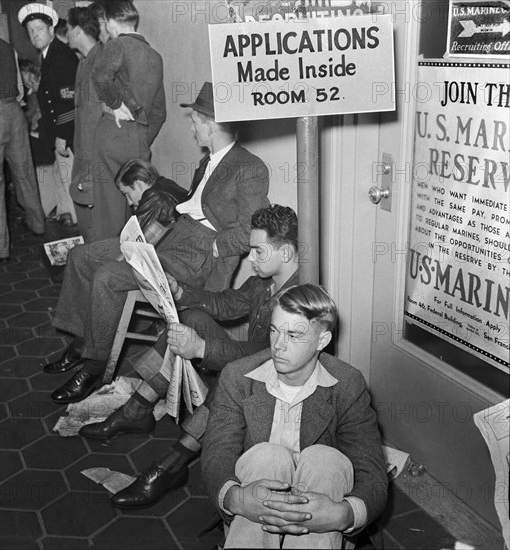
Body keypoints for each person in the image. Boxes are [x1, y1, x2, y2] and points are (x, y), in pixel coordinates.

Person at [45, 83, 269, 405]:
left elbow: (253, 224)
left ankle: (93, 365)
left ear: (209, 122)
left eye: (194, 120)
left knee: (108, 276)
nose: (192, 127)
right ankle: (82, 341)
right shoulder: (209, 161)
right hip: (170, 235)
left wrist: (218, 246)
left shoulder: (249, 167)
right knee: (82, 256)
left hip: (194, 255)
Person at [79, 205, 300, 510]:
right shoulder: (264, 282)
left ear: (286, 253)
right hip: (254, 367)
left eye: (258, 251)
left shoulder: (299, 299)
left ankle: (172, 464)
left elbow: (269, 356)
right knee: (192, 318)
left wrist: (203, 350)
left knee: (234, 376)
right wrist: (180, 290)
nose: (250, 258)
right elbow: (225, 304)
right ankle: (137, 410)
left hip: (277, 388)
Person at [202, 284, 388, 549]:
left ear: (322, 341)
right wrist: (236, 498)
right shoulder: (238, 377)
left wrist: (344, 513)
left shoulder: (346, 384)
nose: (278, 345)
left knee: (325, 459)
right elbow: (216, 455)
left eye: (293, 335)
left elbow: (372, 471)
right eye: (274, 330)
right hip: (255, 516)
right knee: (268, 455)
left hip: (319, 507)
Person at [89, 0, 166, 240]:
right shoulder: (154, 55)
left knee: (108, 210)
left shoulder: (117, 45)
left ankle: (104, 267)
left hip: (113, 131)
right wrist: (141, 135)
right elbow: (160, 113)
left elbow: (99, 77)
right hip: (139, 138)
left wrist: (116, 105)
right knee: (141, 208)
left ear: (111, 23)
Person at [0, 13, 45, 262]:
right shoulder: (7, 47)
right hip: (15, 112)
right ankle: (38, 225)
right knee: (24, 171)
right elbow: (20, 89)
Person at [18, 2, 79, 227]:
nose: (35, 34)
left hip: (66, 132)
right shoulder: (48, 55)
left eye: (39, 29)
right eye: (31, 31)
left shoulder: (60, 56)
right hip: (57, 131)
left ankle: (74, 224)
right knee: (63, 176)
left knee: (70, 177)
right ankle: (68, 216)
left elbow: (67, 100)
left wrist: (63, 134)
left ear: (51, 29)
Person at [64, 6, 104, 242]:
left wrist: (90, 159)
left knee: (95, 221)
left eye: (68, 29)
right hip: (83, 151)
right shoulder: (83, 62)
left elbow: (99, 116)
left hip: (95, 155)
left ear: (78, 30)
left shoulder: (101, 60)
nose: (66, 34)